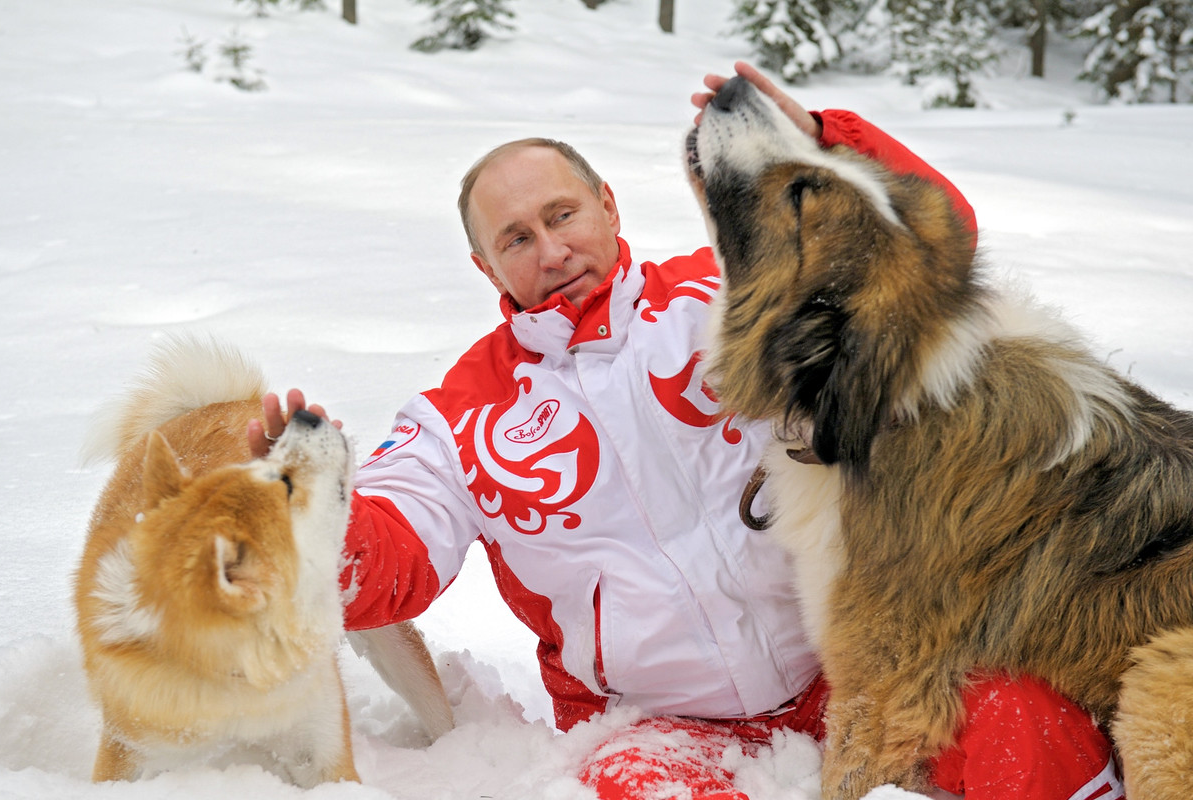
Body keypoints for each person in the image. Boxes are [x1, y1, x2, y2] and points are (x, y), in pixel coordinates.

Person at [248, 63, 1124, 800]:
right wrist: (303, 516)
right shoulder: (458, 418)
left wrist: (818, 135)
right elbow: (386, 565)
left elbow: (926, 256)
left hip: (851, 670)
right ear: (485, 267)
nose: (550, 252)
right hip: (654, 729)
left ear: (608, 205)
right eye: (515, 239)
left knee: (1026, 718)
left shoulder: (726, 299)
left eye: (561, 216)